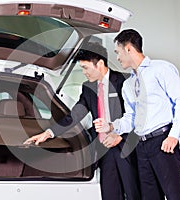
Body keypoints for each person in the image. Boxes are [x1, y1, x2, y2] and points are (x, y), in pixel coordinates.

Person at [24, 42, 141, 200]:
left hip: (125, 148)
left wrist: (120, 136)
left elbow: (139, 116)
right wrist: (48, 133)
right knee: (110, 195)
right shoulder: (87, 88)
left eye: (85, 67)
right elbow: (74, 116)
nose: (84, 72)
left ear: (99, 64)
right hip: (104, 151)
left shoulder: (125, 82)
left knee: (134, 194)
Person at [94, 29, 180, 200]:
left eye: (118, 52)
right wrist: (111, 126)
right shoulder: (128, 84)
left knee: (176, 195)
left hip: (163, 142)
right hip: (141, 146)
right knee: (149, 196)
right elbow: (131, 118)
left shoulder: (161, 69)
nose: (117, 58)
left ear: (129, 49)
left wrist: (174, 135)